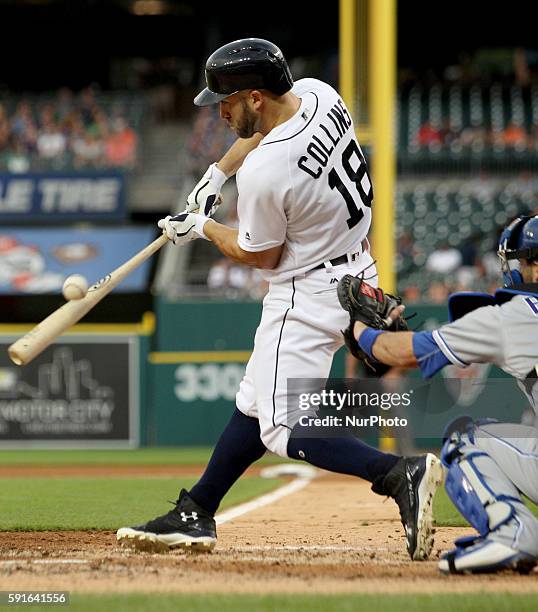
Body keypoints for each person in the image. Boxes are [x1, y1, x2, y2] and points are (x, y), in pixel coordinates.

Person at [117, 38, 442, 560]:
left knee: (281, 423)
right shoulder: (318, 94)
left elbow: (258, 255)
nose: (218, 111)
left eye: (226, 101)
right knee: (254, 400)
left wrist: (201, 227)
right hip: (355, 266)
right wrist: (215, 175)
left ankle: (397, 472)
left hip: (306, 291)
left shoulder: (268, 171)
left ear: (254, 97)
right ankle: (197, 510)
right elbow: (264, 135)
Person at [340, 214, 538, 574]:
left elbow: (403, 353)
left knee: (464, 439)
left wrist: (361, 331)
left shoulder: (514, 316)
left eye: (518, 262)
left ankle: (513, 532)